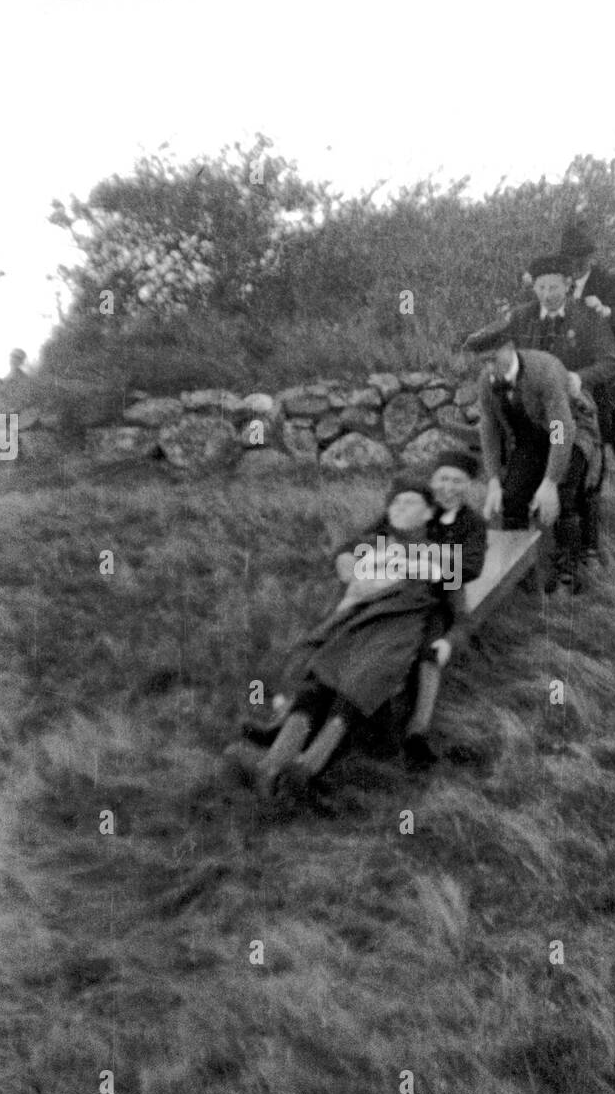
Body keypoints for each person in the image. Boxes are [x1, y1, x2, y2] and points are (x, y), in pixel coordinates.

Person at [226, 480, 456, 795]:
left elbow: (448, 600)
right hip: (355, 622)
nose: (400, 507)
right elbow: (350, 570)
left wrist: (441, 638)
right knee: (320, 671)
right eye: (395, 503)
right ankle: (274, 764)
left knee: (357, 681)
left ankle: (307, 765)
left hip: (395, 629)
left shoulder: (442, 551)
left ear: (430, 511)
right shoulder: (375, 544)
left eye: (410, 501)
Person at [470, 336, 592, 594]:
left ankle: (567, 573)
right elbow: (489, 428)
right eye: (484, 362)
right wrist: (493, 481)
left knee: (563, 497)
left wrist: (550, 482)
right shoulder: (486, 382)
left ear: (510, 348)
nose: (490, 367)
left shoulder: (544, 371)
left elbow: (562, 429)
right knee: (511, 498)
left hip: (571, 432)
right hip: (531, 441)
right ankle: (519, 569)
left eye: (494, 358)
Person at [403, 450, 488, 767]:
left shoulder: (472, 523)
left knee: (432, 648)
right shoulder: (415, 509)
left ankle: (417, 730)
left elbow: (471, 566)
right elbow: (380, 542)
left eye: (457, 480)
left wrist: (434, 557)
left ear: (468, 485)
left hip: (443, 595)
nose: (448, 487)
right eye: (442, 479)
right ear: (432, 481)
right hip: (400, 592)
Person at [559, 222, 615, 510]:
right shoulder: (559, 285)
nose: (575, 263)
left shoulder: (609, 284)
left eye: (581, 256)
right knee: (582, 443)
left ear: (590, 257)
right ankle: (587, 504)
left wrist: (605, 311)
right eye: (571, 257)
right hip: (577, 379)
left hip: (614, 378)